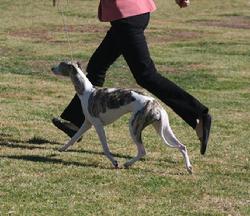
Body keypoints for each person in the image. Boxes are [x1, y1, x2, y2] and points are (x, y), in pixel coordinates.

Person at [52, 0, 212, 155]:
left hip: (127, 17)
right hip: (131, 13)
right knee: (97, 66)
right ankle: (75, 122)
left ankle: (198, 114)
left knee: (146, 75)